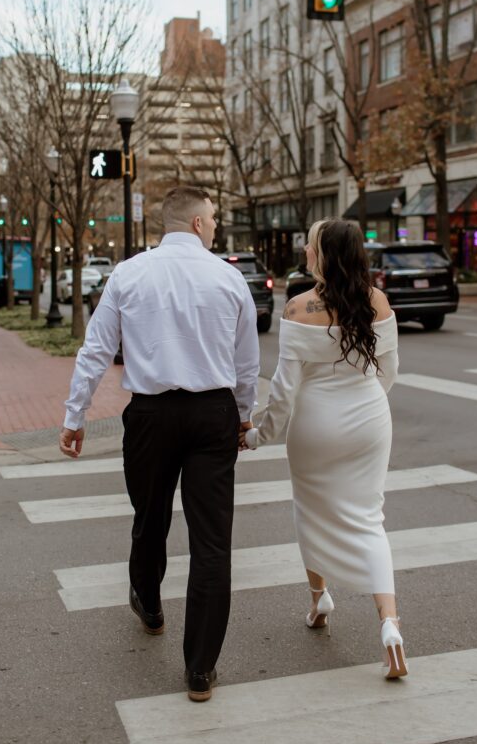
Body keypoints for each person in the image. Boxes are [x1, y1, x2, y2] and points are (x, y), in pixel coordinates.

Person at [60, 186, 260, 701]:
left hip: (149, 415)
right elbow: (246, 363)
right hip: (212, 412)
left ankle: (148, 604)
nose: (216, 226)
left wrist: (74, 415)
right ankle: (199, 669)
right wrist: (242, 415)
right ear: (196, 224)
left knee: (150, 519)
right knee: (212, 542)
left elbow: (96, 348)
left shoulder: (128, 274)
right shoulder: (228, 277)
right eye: (213, 218)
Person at [243, 217, 407, 678]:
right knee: (370, 519)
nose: (306, 252)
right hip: (370, 419)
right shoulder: (376, 301)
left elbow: (283, 391)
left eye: (311, 245)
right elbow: (389, 370)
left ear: (324, 254)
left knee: (309, 512)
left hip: (314, 424)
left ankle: (320, 602)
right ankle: (390, 625)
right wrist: (367, 403)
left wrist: (260, 435)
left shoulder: (298, 308)